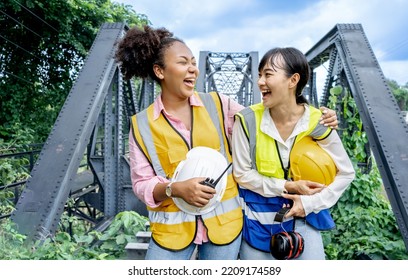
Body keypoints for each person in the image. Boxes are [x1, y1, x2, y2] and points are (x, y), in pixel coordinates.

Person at [115, 25, 338, 260]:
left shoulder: (219, 105)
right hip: (172, 233)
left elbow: (270, 121)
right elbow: (141, 183)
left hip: (225, 228)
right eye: (183, 63)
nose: (193, 69)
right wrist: (174, 189)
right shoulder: (141, 124)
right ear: (160, 71)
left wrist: (314, 117)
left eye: (193, 62)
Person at [231, 47, 355, 260]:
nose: (260, 81)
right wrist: (287, 186)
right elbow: (242, 174)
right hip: (259, 216)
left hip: (304, 215)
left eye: (268, 74)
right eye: (259, 75)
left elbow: (346, 173)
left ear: (293, 80)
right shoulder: (247, 120)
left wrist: (309, 204)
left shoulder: (318, 122)